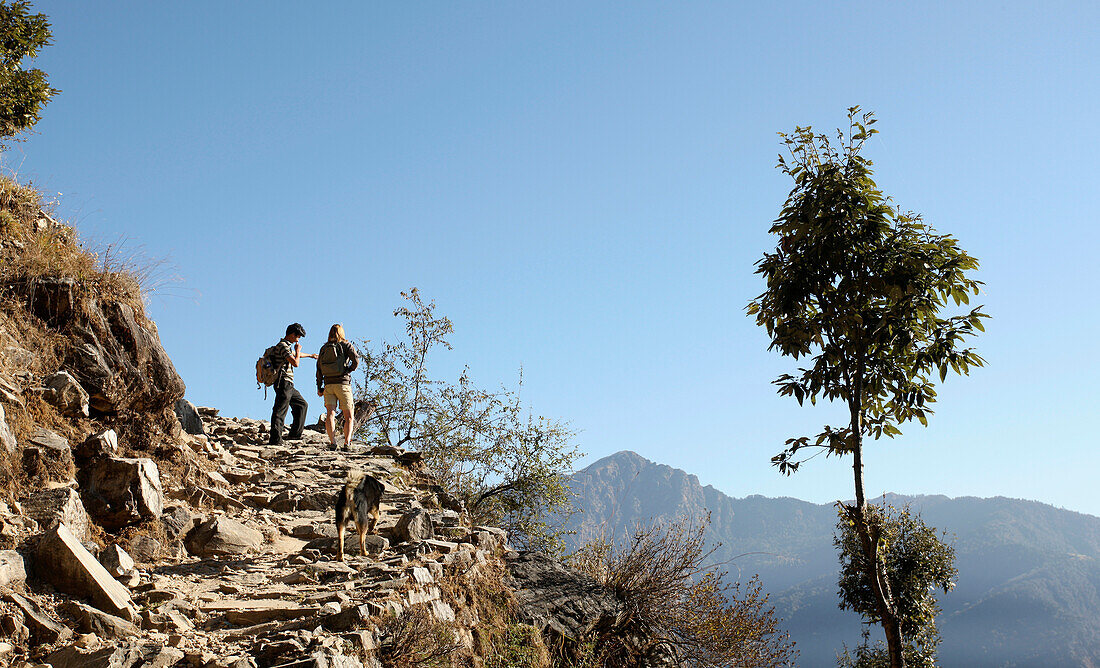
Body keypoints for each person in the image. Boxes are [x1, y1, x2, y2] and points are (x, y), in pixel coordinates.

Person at [268, 323, 317, 446]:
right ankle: (275, 439)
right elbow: (295, 362)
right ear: (291, 334)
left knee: (302, 405)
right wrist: (298, 350)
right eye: (298, 336)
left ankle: (295, 435)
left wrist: (310, 355)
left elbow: (295, 355)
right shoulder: (283, 346)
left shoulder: (287, 347)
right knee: (280, 410)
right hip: (282, 382)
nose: (298, 338)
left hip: (288, 384)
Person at [316, 323, 360, 449]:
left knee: (330, 414)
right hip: (343, 384)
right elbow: (356, 359)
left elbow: (318, 369)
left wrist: (319, 387)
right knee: (349, 416)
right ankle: (347, 443)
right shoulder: (346, 345)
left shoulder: (324, 348)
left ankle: (332, 442)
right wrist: (349, 370)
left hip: (328, 385)